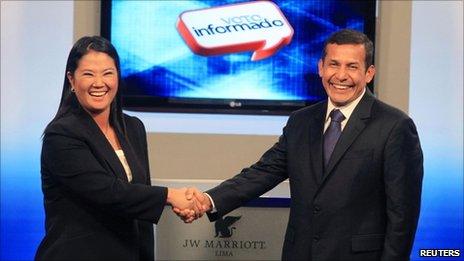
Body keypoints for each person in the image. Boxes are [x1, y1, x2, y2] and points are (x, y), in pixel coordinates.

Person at [178, 29, 424, 260]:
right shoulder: (301, 121)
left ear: (369, 73)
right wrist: (208, 200)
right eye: (333, 65)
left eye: (352, 67)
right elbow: (263, 172)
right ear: (321, 68)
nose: (341, 76)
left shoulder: (395, 126)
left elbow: (402, 215)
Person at [35, 36, 201, 261]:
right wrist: (171, 196)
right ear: (71, 80)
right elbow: (108, 192)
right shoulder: (62, 134)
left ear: (118, 78)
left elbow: (138, 204)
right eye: (88, 74)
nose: (99, 83)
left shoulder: (133, 127)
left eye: (107, 73)